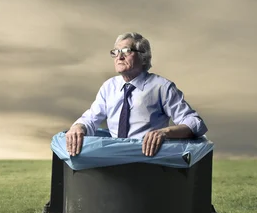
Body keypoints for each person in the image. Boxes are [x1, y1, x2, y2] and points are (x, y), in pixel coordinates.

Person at [65, 32, 207, 157]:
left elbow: (195, 123)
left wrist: (164, 133)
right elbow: (90, 118)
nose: (119, 56)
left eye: (126, 51)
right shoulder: (109, 87)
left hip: (148, 159)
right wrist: (78, 127)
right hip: (113, 159)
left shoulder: (161, 87)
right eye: (115, 52)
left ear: (143, 56)